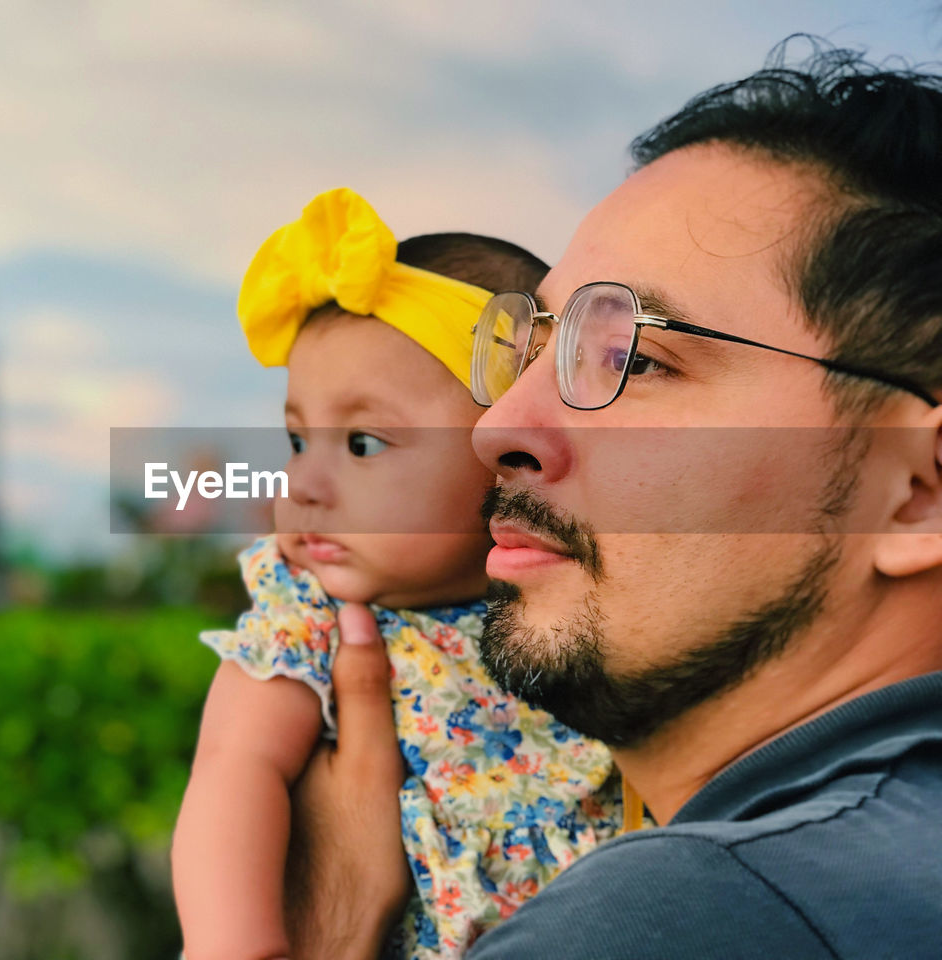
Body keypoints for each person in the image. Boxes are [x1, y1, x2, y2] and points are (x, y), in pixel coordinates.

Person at [283, 44, 942, 959]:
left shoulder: (685, 916)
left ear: (917, 491)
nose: (495, 429)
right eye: (532, 351)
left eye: (634, 359)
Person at [171, 188, 622, 960]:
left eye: (363, 445)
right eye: (297, 440)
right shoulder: (308, 614)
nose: (304, 483)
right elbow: (232, 772)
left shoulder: (569, 602)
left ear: (512, 447)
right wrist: (238, 946)